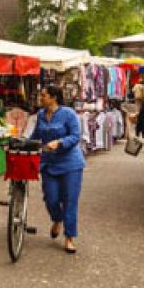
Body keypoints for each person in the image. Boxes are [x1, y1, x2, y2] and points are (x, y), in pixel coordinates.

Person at [30, 85, 86, 254]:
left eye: (44, 95)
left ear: (54, 97)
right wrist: (21, 143)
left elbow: (76, 136)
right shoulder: (40, 115)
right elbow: (35, 136)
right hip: (48, 163)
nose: (41, 98)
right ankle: (57, 219)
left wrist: (60, 142)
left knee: (70, 201)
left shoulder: (68, 113)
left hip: (71, 164)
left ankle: (69, 237)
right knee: (51, 198)